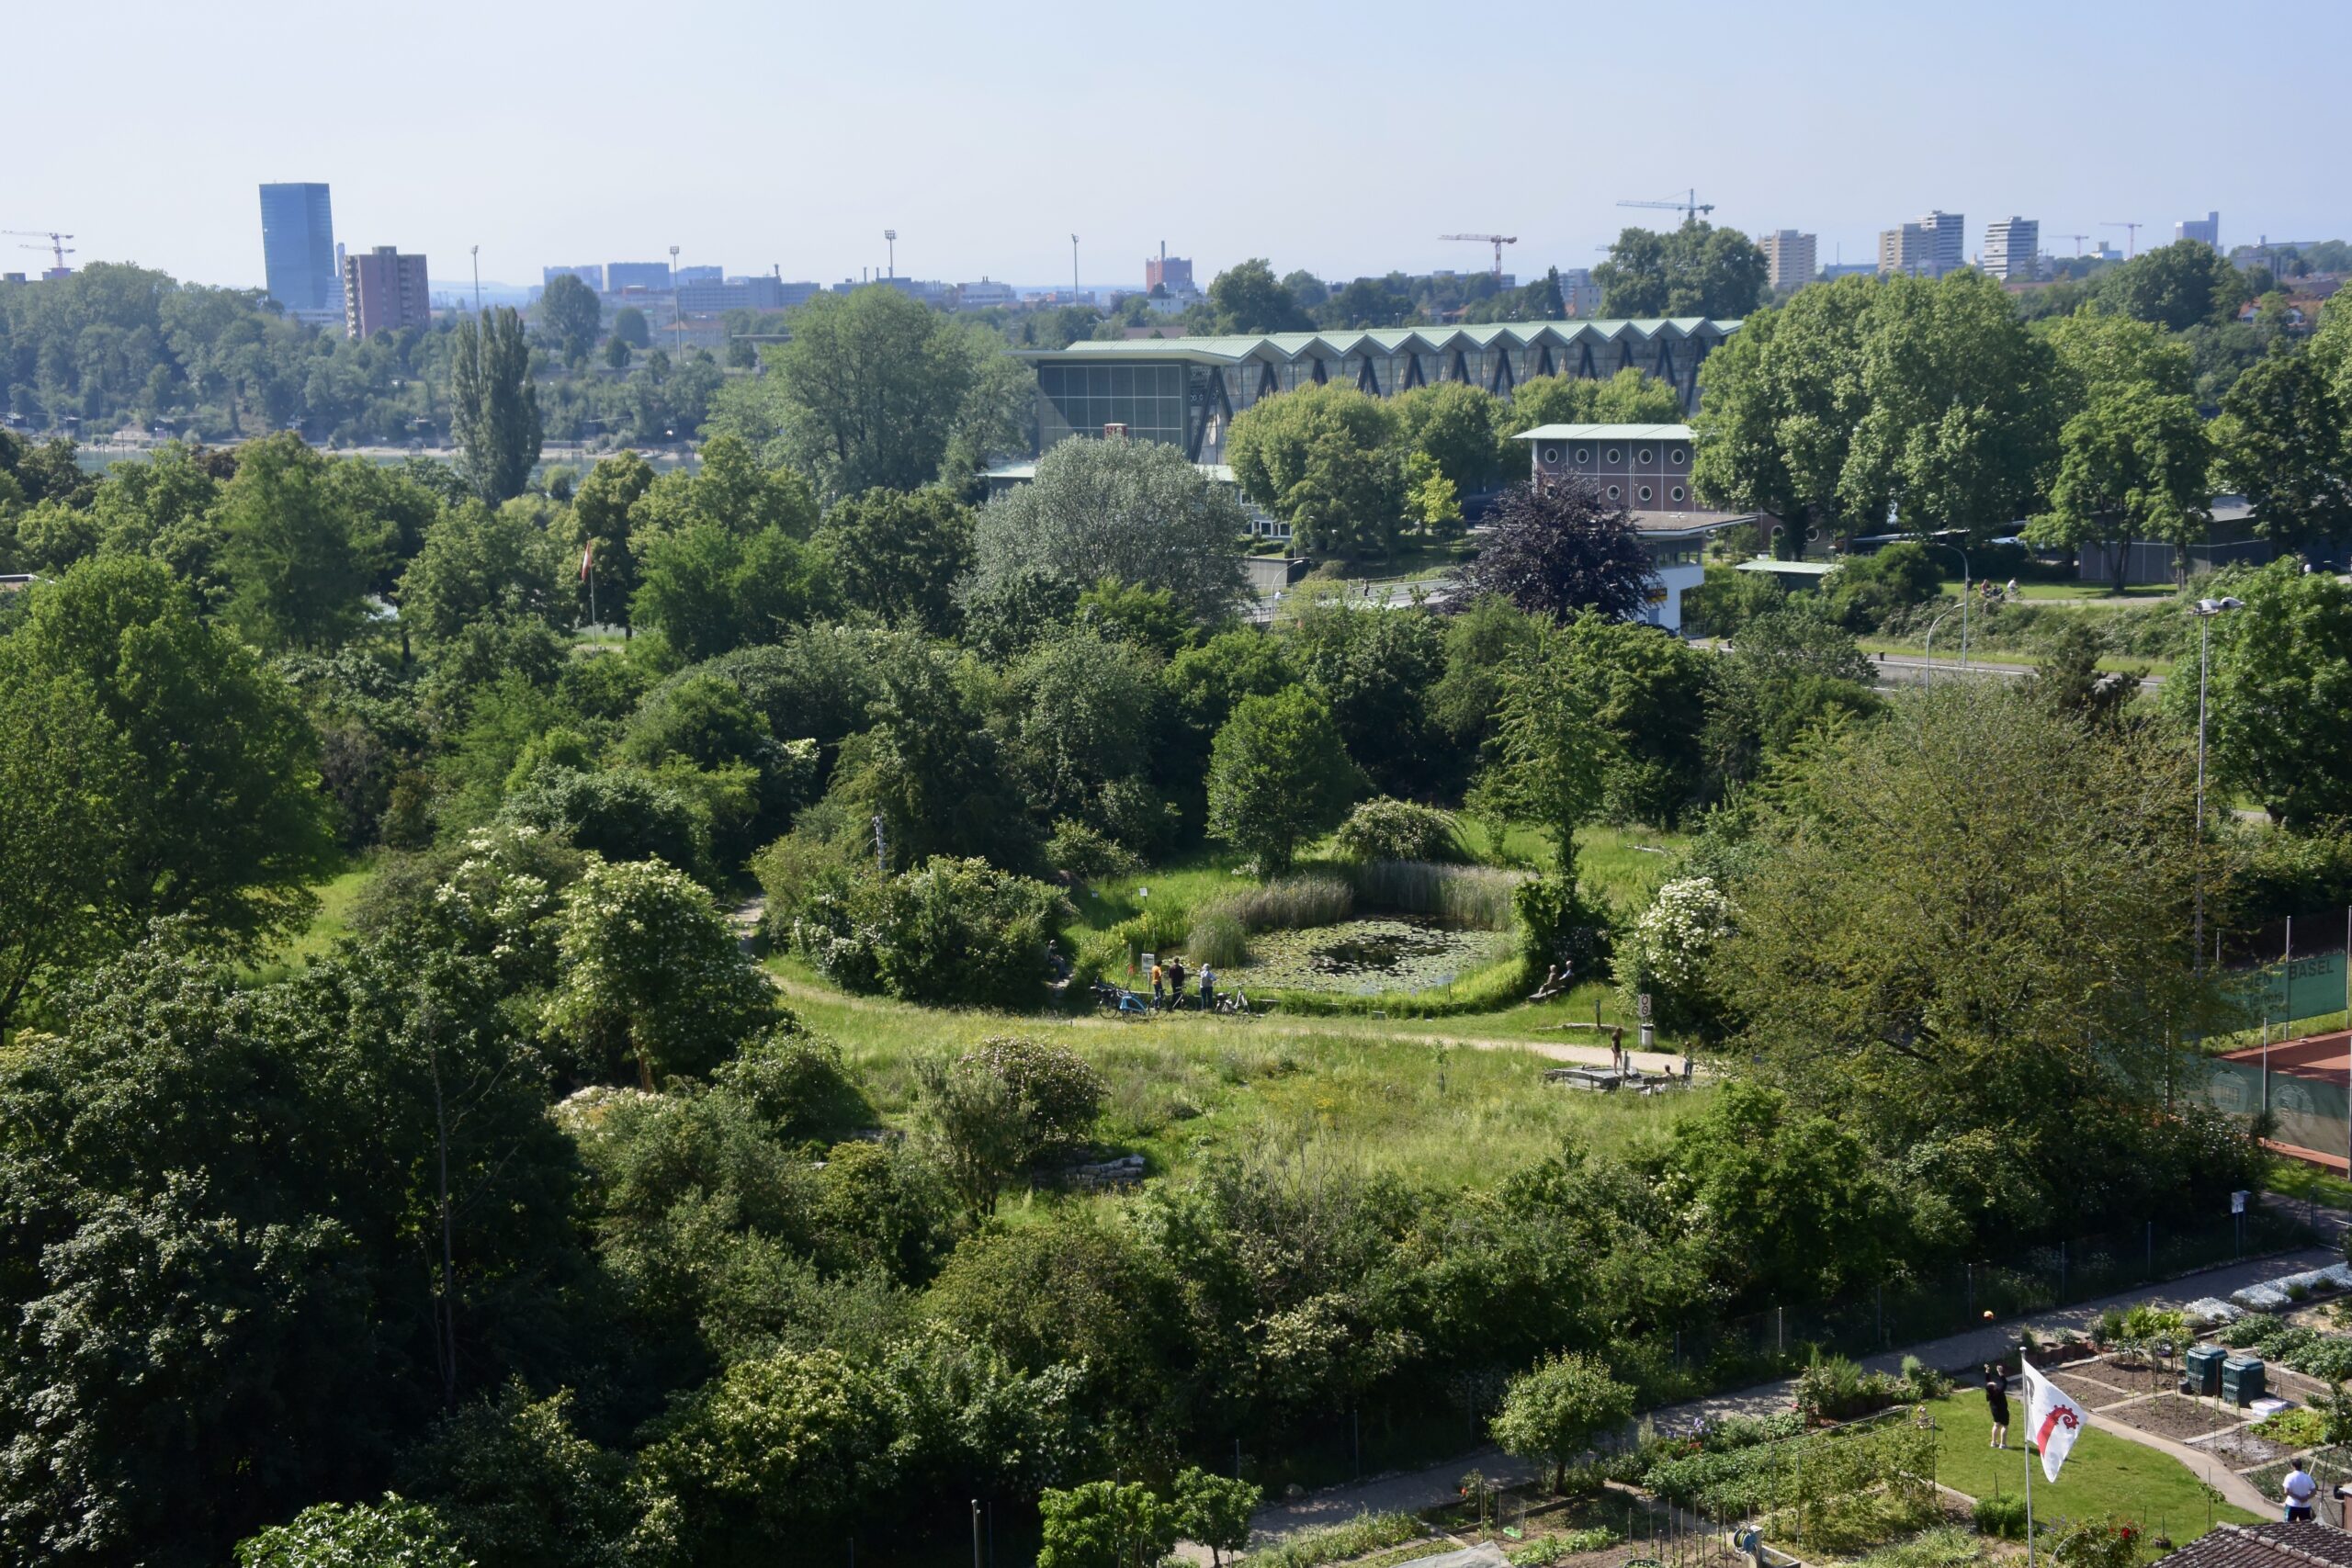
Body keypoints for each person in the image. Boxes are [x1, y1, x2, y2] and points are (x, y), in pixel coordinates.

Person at [1984, 1364, 2010, 1450]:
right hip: (2002, 1410)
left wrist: (1987, 1371)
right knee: (2005, 1426)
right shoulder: (1999, 1392)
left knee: (1996, 1425)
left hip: (1994, 1410)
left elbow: (1988, 1382)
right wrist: (2000, 1372)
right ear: (1994, 1388)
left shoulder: (1990, 1393)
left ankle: (1993, 1443)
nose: (1993, 1382)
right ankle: (2003, 1444)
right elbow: (2005, 1383)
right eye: (1993, 1384)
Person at [2285, 1457, 2319, 1522]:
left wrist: (2299, 1498)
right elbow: (2314, 1492)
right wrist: (2305, 1498)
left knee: (2288, 1526)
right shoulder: (2307, 1477)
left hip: (2292, 1505)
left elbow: (2286, 1491)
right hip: (2305, 1506)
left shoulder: (2289, 1476)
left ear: (2293, 1466)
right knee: (2305, 1526)